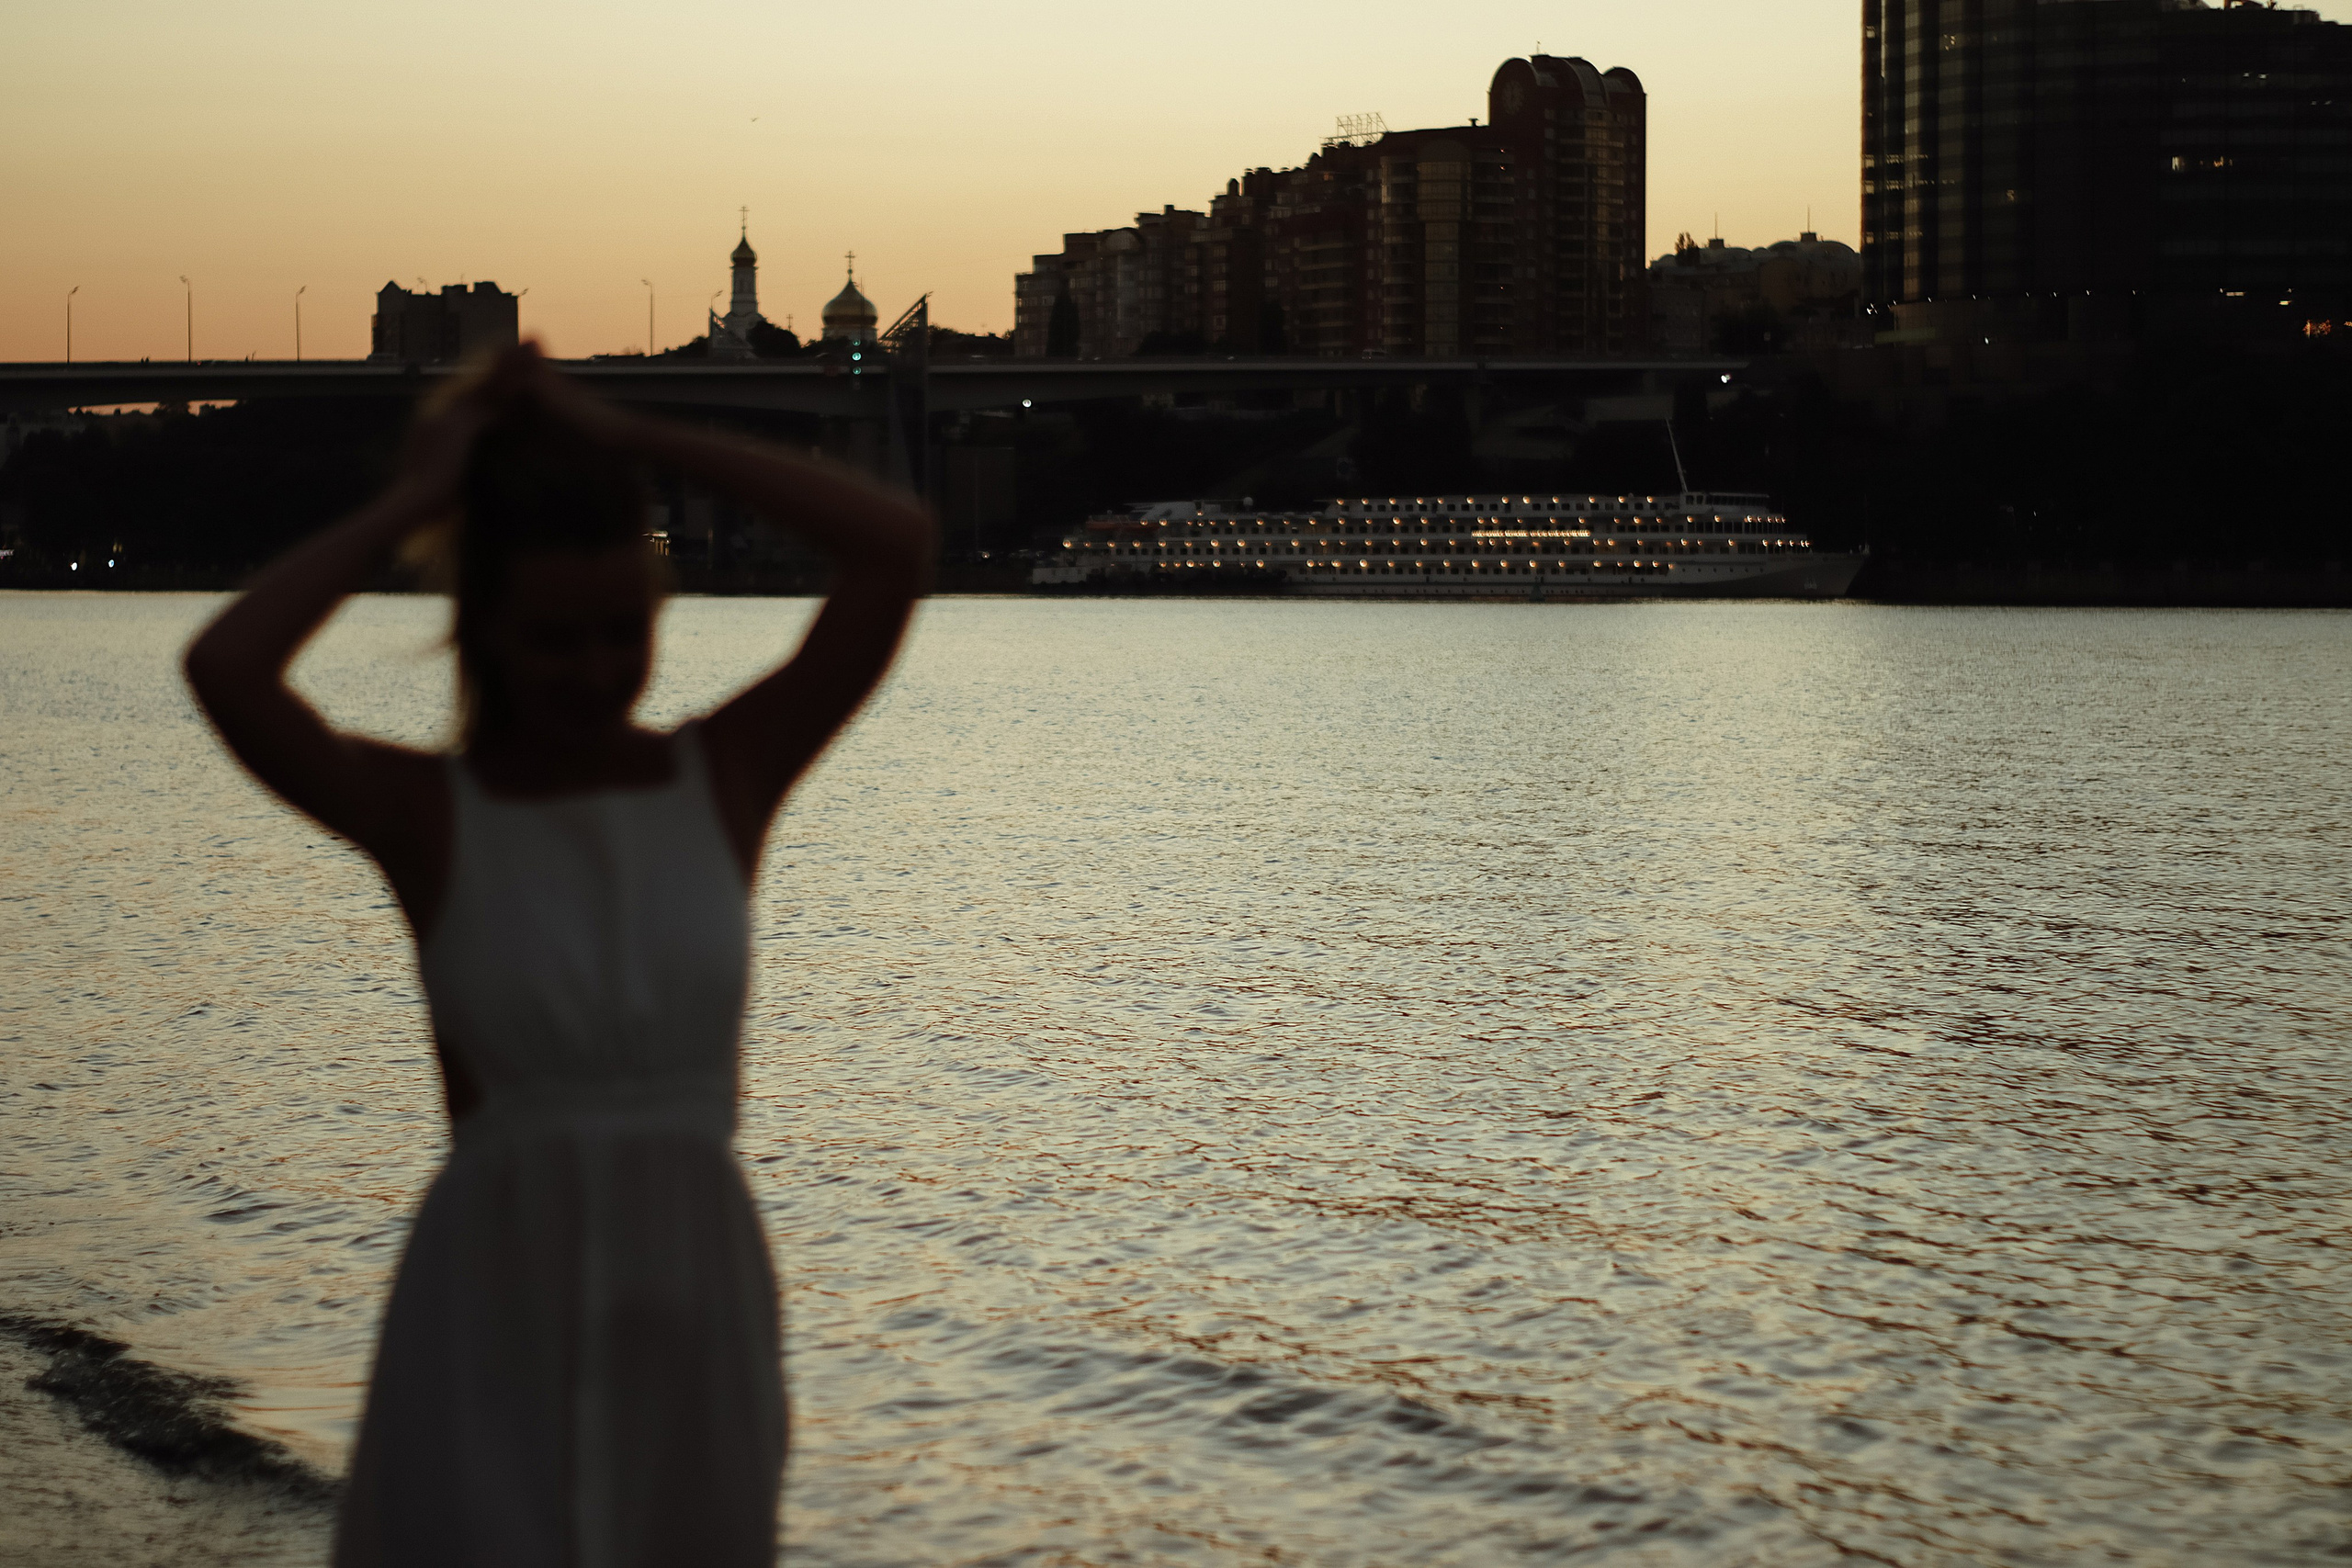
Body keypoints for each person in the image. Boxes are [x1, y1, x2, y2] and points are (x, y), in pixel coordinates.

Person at [182, 342, 935, 1567]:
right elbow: (226, 668)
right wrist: (418, 503)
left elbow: (894, 544)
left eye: (616, 633)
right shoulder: (428, 817)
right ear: (481, 635)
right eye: (551, 640)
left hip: (696, 1300)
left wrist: (620, 434)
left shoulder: (726, 776)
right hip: (493, 1295)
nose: (592, 671)